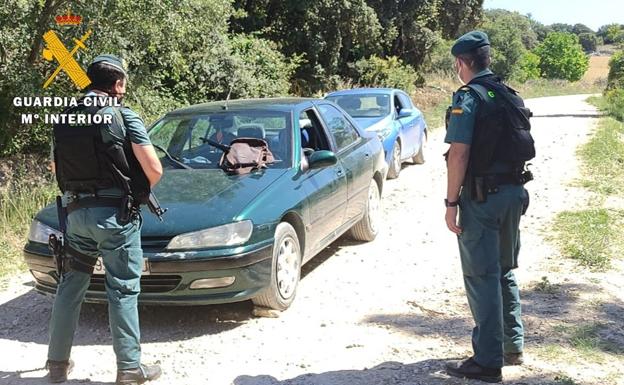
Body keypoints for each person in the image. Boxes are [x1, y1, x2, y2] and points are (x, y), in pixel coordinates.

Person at [46, 54, 163, 384]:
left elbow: (56, 168)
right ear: (118, 84)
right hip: (115, 218)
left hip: (75, 214)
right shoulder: (123, 115)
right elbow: (154, 169)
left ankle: (57, 365)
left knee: (70, 287)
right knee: (123, 289)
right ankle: (129, 369)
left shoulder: (65, 118)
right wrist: (136, 190)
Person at [443, 31, 532, 383]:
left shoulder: (469, 98)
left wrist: (451, 203)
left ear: (462, 63)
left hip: (483, 199)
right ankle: (513, 345)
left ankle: (487, 361)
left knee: (483, 276)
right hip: (514, 193)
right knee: (505, 269)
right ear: (488, 59)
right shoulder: (509, 94)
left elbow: (459, 154)